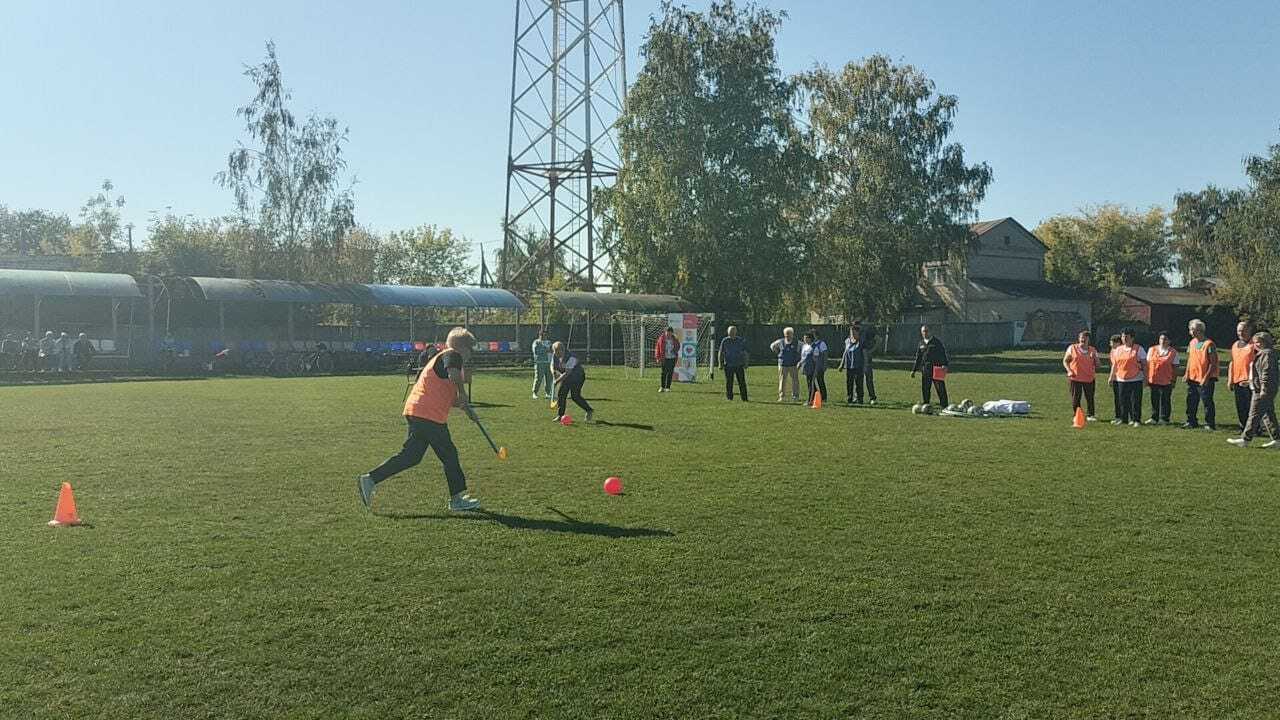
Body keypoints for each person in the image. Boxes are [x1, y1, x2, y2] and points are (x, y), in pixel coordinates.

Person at [357, 327, 483, 513]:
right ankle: (457, 499)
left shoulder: (445, 360)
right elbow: (453, 374)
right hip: (428, 415)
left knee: (412, 456)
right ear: (463, 348)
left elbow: (449, 398)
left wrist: (466, 408)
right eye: (470, 350)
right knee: (449, 454)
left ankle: (370, 479)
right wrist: (463, 393)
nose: (470, 355)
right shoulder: (452, 355)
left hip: (419, 411)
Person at [1228, 331, 1278, 449]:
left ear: (1263, 343)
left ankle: (1245, 439)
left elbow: (1266, 373)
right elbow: (1259, 373)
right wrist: (1250, 382)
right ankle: (1277, 439)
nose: (1254, 345)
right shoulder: (1265, 353)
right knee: (1268, 415)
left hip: (1262, 390)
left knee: (1254, 414)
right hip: (1262, 388)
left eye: (1257, 342)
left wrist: (1263, 389)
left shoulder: (1266, 354)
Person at [1183, 318, 1219, 431]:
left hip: (1205, 378)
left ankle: (1209, 423)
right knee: (1191, 400)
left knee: (1207, 401)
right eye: (1191, 329)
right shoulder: (1192, 343)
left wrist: (1206, 377)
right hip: (1193, 377)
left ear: (1200, 330)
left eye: (1193, 329)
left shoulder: (1209, 344)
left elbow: (1213, 363)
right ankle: (1191, 421)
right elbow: (1190, 359)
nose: (1191, 331)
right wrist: (1186, 373)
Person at [1110, 328, 1147, 427]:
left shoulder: (1139, 349)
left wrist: (1145, 378)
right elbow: (1115, 364)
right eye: (1123, 336)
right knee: (1122, 400)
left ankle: (1136, 420)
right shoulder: (1118, 349)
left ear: (1132, 338)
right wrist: (1112, 376)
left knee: (1135, 400)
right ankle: (1124, 419)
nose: (1124, 338)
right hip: (1121, 378)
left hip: (1136, 378)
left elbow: (1144, 364)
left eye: (1127, 337)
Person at [1063, 329, 1100, 421]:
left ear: (1088, 340)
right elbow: (1065, 361)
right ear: (1079, 338)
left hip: (1089, 378)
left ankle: (1090, 415)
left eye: (1085, 338)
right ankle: (1077, 415)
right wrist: (1069, 370)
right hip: (1075, 377)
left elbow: (1098, 365)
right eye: (1081, 338)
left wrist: (1095, 358)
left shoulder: (1093, 350)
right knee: (1076, 398)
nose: (1083, 340)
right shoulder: (1072, 348)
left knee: (1090, 397)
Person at [553, 340, 594, 422]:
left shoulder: (571, 357)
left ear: (562, 350)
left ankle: (589, 410)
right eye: (555, 351)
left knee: (575, 396)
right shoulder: (555, 355)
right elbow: (552, 365)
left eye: (557, 352)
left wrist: (556, 381)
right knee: (561, 394)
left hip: (577, 377)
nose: (556, 354)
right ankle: (560, 415)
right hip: (566, 377)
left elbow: (567, 373)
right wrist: (553, 372)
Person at [1228, 320, 1257, 431]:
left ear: (1249, 330)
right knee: (1240, 406)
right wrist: (1230, 380)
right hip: (1237, 380)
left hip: (1250, 381)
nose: (1241, 333)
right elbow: (1232, 362)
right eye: (1239, 331)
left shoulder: (1254, 345)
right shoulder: (1235, 345)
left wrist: (1251, 381)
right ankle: (1243, 427)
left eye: (1243, 330)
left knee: (1252, 407)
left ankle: (1254, 428)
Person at [911, 325, 949, 408]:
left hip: (937, 368)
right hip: (926, 369)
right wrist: (914, 370)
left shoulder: (936, 342)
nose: (925, 333)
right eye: (923, 331)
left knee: (940, 388)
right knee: (925, 388)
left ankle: (944, 405)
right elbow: (918, 358)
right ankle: (926, 404)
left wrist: (945, 364)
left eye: (926, 331)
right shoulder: (921, 343)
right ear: (921, 333)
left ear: (930, 332)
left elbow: (943, 354)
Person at [1145, 331, 1178, 425]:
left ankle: (1164, 418)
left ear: (1169, 341)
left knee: (1165, 399)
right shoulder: (1152, 349)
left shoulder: (1173, 352)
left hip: (1166, 380)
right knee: (1154, 399)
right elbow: (1147, 364)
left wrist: (1173, 380)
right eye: (1161, 338)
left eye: (1165, 339)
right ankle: (1154, 417)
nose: (1162, 341)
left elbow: (1175, 368)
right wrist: (1146, 378)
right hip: (1154, 379)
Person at [770, 327, 801, 403]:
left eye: (789, 334)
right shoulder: (780, 341)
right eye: (786, 335)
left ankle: (795, 396)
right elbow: (772, 346)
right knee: (782, 380)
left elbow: (804, 348)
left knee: (795, 380)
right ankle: (782, 396)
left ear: (792, 334)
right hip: (783, 364)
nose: (787, 336)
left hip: (793, 364)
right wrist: (777, 352)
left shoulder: (797, 342)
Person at [718, 325, 749, 401]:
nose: (732, 333)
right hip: (728, 365)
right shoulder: (725, 341)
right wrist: (720, 363)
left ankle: (744, 398)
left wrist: (746, 363)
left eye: (733, 332)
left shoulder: (740, 340)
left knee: (742, 382)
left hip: (739, 364)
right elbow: (721, 352)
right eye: (730, 332)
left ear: (736, 332)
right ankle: (729, 397)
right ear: (728, 333)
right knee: (729, 382)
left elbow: (745, 353)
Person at [838, 325, 866, 404]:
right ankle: (849, 398)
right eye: (851, 332)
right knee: (849, 383)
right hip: (849, 366)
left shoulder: (861, 342)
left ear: (858, 332)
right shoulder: (847, 341)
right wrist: (841, 364)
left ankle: (859, 399)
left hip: (858, 365)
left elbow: (864, 354)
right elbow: (845, 353)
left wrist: (865, 366)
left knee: (859, 383)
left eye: (854, 332)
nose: (852, 334)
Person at [853, 320, 878, 404]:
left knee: (869, 379)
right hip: (858, 359)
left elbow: (879, 340)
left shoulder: (867, 332)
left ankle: (872, 397)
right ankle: (857, 397)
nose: (856, 329)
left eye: (857, 327)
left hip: (866, 358)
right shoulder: (853, 334)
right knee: (857, 379)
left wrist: (871, 351)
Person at [655, 327, 679, 393]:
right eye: (667, 332)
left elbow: (678, 346)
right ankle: (662, 387)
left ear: (672, 333)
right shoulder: (661, 338)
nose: (668, 334)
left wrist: (675, 349)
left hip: (672, 358)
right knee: (663, 373)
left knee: (670, 373)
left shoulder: (675, 339)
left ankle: (668, 388)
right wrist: (657, 357)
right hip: (664, 358)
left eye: (670, 332)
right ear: (665, 332)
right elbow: (657, 348)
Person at [531, 330, 553, 400]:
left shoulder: (549, 342)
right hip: (540, 363)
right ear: (539, 335)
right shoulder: (536, 342)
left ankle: (548, 393)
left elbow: (552, 350)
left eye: (545, 335)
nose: (544, 336)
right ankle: (535, 393)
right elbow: (536, 351)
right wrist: (546, 350)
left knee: (549, 379)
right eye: (542, 335)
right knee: (538, 378)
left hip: (549, 363)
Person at [1106, 334, 1123, 421]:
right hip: (1116, 377)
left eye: (1112, 342)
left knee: (1123, 397)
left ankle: (1125, 416)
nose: (1110, 344)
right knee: (1117, 398)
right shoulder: (1112, 351)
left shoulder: (1122, 351)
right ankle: (1118, 416)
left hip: (1122, 377)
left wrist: (1111, 377)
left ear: (1118, 343)